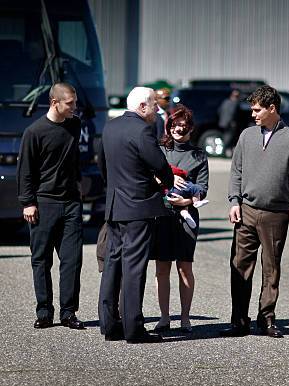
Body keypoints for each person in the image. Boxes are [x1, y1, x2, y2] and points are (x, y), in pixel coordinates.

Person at [222, 85, 289, 338]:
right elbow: (236, 171)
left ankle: (267, 319)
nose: (253, 114)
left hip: (276, 214)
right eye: (252, 109)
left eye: (257, 110)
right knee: (239, 266)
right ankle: (238, 321)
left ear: (272, 108)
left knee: (271, 269)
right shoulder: (246, 136)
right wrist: (234, 201)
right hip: (246, 211)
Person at [97, 86, 175, 344]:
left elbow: (103, 165)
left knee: (113, 264)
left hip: (115, 204)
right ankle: (133, 328)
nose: (157, 108)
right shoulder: (142, 129)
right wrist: (167, 180)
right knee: (134, 268)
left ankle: (109, 325)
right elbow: (158, 163)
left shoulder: (110, 127)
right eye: (154, 103)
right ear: (142, 106)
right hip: (138, 206)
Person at [16, 82, 85, 330]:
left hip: (71, 204)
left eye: (75, 103)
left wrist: (78, 183)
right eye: (70, 103)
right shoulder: (34, 132)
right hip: (43, 204)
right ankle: (44, 312)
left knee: (72, 260)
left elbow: (74, 157)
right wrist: (28, 203)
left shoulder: (75, 125)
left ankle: (68, 313)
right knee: (42, 260)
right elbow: (24, 171)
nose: (74, 108)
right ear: (55, 102)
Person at [150, 105, 209, 333]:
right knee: (161, 268)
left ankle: (185, 318)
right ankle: (164, 317)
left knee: (185, 267)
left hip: (187, 217)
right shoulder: (160, 150)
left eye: (182, 126)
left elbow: (202, 189)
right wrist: (167, 179)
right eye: (173, 125)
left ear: (190, 128)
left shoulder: (198, 155)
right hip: (162, 215)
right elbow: (150, 178)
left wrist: (185, 203)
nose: (177, 130)